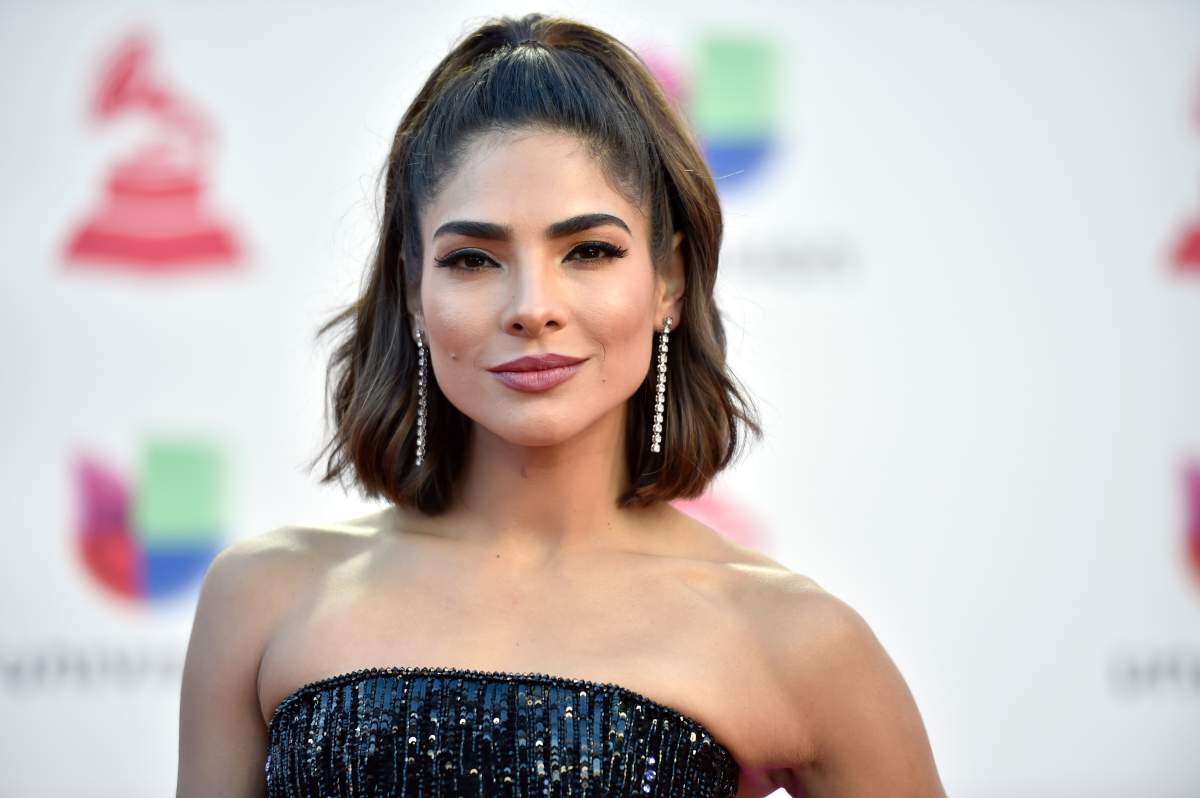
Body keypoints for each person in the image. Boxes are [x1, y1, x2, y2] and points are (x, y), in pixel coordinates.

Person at [176, 12, 946, 798]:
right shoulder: (264, 595)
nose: (532, 308)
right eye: (473, 259)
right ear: (412, 290)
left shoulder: (795, 639)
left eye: (589, 251)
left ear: (670, 281)